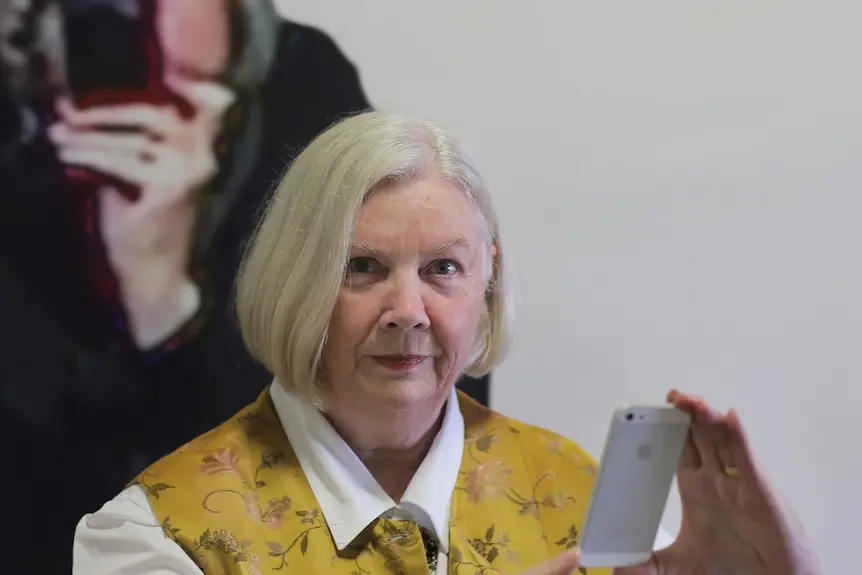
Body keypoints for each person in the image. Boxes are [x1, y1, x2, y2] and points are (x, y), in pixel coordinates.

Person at [73, 111, 821, 574]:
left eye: (442, 269)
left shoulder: (592, 507)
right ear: (294, 279)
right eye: (362, 267)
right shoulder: (157, 536)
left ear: (486, 284)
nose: (409, 310)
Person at [0, 0, 488, 571]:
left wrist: (165, 294)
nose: (408, 309)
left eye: (199, 96)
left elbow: (418, 313)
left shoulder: (302, 85)